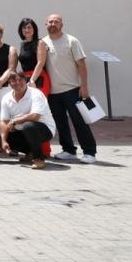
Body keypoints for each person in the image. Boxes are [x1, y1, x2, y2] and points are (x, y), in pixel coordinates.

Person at [42, 14, 95, 163]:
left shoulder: (72, 41)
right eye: (50, 22)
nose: (53, 24)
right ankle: (69, 150)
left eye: (56, 22)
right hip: (53, 92)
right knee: (60, 123)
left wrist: (84, 87)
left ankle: (90, 152)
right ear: (45, 24)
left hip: (72, 90)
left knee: (80, 121)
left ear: (62, 25)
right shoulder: (43, 42)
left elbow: (82, 65)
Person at [0, 70, 55, 169]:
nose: (17, 83)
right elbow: (4, 121)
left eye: (20, 80)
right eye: (13, 80)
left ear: (26, 81)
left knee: (28, 126)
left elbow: (35, 116)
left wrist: (15, 121)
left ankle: (39, 158)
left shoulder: (36, 94)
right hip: (24, 130)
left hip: (44, 129)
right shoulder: (6, 98)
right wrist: (3, 141)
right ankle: (30, 153)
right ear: (9, 83)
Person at [17, 18, 51, 96]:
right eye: (24, 28)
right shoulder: (22, 45)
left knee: (38, 105)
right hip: (26, 79)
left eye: (29, 27)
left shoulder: (40, 43)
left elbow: (40, 63)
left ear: (34, 29)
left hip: (38, 78)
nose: (26, 30)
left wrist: (32, 80)